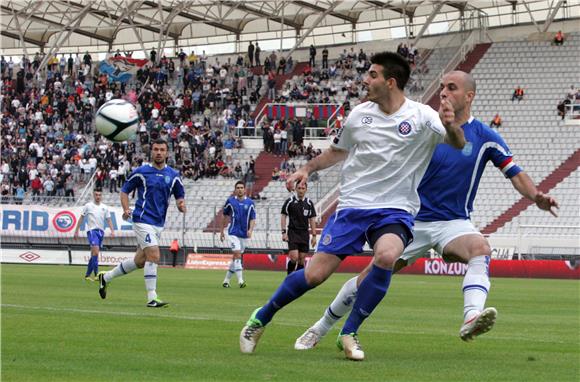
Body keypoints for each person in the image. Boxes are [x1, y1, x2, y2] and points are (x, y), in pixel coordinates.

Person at [293, 71, 560, 352]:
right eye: (442, 87)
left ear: (469, 96)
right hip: (410, 220)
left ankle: (471, 317)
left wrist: (536, 196)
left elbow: (514, 173)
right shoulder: (422, 125)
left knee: (481, 248)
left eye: (452, 88)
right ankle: (320, 327)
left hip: (453, 222)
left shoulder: (485, 136)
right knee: (366, 279)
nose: (443, 92)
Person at [239, 52, 466, 361]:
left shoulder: (423, 116)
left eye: (372, 75)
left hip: (395, 209)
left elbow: (458, 143)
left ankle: (349, 332)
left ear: (390, 82)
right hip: (353, 207)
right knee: (315, 275)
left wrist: (451, 125)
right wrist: (307, 169)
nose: (365, 80)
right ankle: (260, 318)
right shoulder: (359, 115)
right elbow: (336, 152)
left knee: (386, 256)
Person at [97, 139, 186, 308]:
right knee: (154, 255)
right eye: (155, 149)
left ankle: (106, 277)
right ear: (151, 152)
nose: (159, 152)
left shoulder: (173, 175)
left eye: (162, 149)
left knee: (139, 261)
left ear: (167, 153)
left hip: (158, 224)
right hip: (142, 219)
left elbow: (179, 195)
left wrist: (181, 205)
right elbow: (124, 191)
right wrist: (125, 209)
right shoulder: (141, 172)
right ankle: (152, 298)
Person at [220, 181, 256, 288]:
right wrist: (221, 231)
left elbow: (253, 218)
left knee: (236, 257)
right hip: (233, 232)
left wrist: (250, 230)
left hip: (244, 234)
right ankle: (241, 281)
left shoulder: (250, 203)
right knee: (238, 255)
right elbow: (224, 216)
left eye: (241, 187)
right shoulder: (230, 201)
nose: (240, 189)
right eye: (238, 187)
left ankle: (226, 281)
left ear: (245, 189)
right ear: (235, 190)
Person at [74, 189, 115, 281]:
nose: (98, 197)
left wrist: (112, 231)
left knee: (94, 254)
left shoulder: (105, 207)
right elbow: (81, 218)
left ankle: (87, 275)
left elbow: (108, 219)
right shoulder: (88, 206)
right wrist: (76, 230)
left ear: (101, 196)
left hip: (100, 232)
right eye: (96, 195)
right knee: (96, 252)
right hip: (92, 231)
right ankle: (97, 275)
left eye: (99, 195)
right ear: (93, 195)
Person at [280, 183, 317, 274]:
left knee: (301, 259)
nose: (301, 190)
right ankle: (289, 278)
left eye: (303, 188)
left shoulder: (309, 203)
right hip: (293, 232)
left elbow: (312, 219)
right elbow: (283, 215)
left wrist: (314, 235)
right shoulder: (290, 201)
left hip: (304, 233)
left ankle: (297, 282)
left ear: (306, 189)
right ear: (295, 189)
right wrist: (284, 232)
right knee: (294, 257)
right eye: (299, 188)